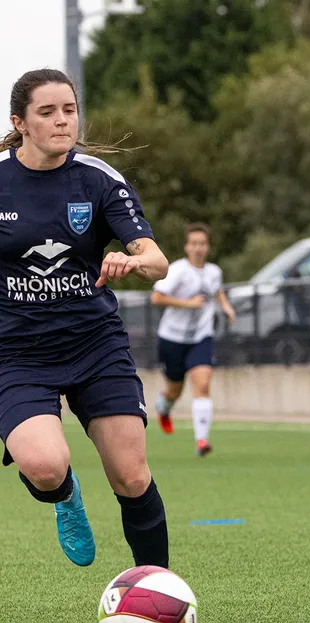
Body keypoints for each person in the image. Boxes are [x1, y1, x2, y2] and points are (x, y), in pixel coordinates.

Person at [0, 69, 171, 568]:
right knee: (46, 466)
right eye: (47, 112)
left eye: (69, 110)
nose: (62, 121)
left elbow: (159, 262)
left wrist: (132, 260)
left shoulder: (98, 179)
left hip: (94, 345)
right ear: (20, 122)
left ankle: (157, 591)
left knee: (131, 476)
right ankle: (64, 496)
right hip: (16, 352)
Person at [151, 223, 235, 456]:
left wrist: (227, 308)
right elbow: (156, 298)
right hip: (172, 338)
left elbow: (216, 290)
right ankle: (164, 407)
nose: (198, 248)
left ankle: (201, 441)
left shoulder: (213, 272)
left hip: (201, 336)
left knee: (203, 384)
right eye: (194, 243)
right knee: (175, 390)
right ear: (187, 246)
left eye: (202, 244)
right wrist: (187, 303)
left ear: (207, 247)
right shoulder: (177, 270)